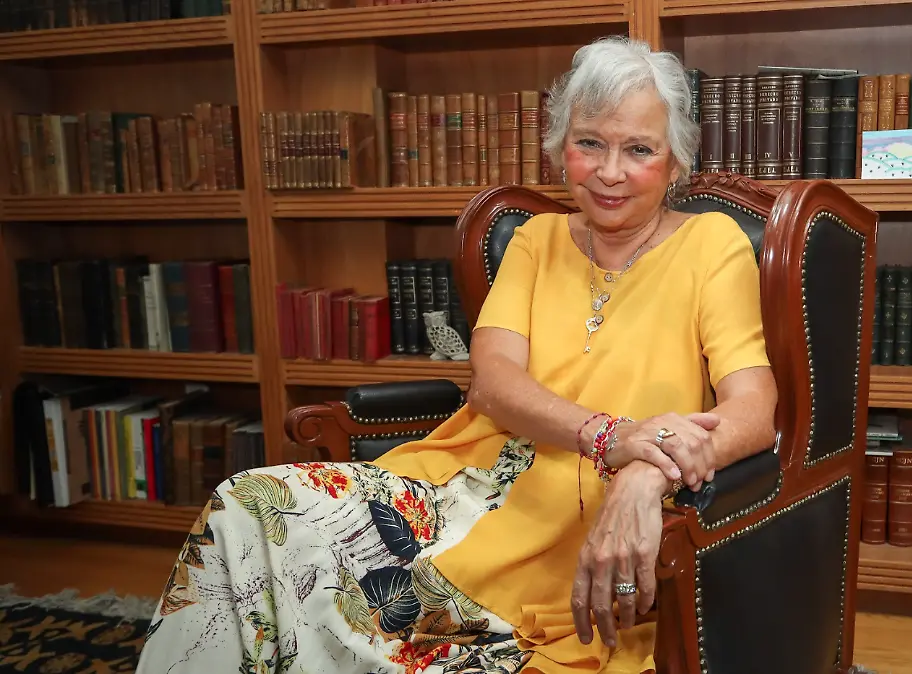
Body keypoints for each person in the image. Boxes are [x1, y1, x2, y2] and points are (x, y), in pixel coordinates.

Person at [136, 35, 777, 674]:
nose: (610, 172)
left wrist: (647, 472)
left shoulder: (711, 245)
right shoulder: (535, 240)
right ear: (560, 149)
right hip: (467, 485)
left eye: (639, 149)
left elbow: (754, 410)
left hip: (584, 517)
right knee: (248, 504)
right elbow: (493, 382)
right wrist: (612, 437)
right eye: (589, 143)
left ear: (675, 161)